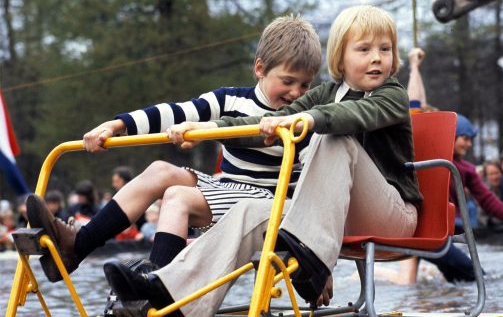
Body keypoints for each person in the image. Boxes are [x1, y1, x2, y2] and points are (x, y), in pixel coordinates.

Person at [103, 5, 422, 317]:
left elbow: (354, 114)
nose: (376, 58)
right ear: (340, 59)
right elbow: (258, 128)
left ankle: (314, 262)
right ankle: (170, 304)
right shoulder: (323, 95)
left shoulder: (392, 95)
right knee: (250, 211)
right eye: (364, 49)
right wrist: (210, 128)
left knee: (335, 138)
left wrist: (306, 120)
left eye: (384, 49)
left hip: (391, 215)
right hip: (326, 216)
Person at [26, 14, 322, 283]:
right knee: (159, 171)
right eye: (288, 81)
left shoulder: (302, 120)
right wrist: (117, 125)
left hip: (266, 206)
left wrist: (318, 262)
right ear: (260, 69)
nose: (296, 93)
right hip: (230, 189)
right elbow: (175, 112)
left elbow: (315, 184)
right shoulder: (230, 100)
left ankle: (158, 288)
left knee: (177, 197)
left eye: (305, 86)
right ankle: (78, 246)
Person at [423, 116, 503, 282]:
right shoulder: (429, 159)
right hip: (427, 236)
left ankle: (449, 306)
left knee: (458, 280)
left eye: (470, 140)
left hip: (440, 238)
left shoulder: (467, 169)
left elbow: (488, 200)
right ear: (451, 136)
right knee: (480, 278)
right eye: (465, 139)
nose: (469, 144)